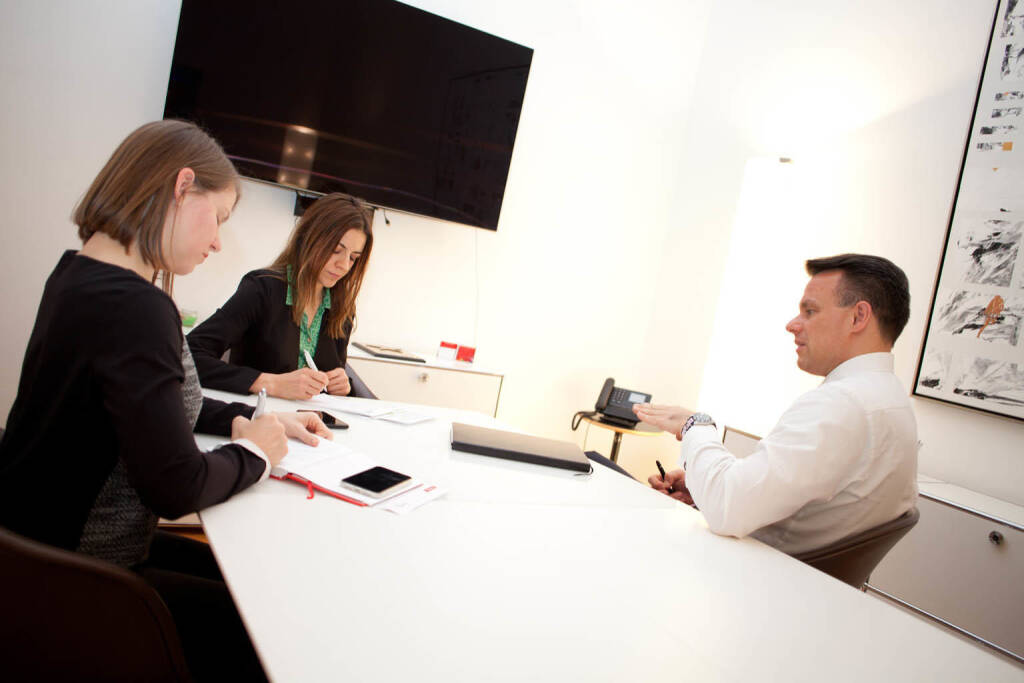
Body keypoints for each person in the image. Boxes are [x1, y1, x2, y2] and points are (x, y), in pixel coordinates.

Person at [0, 119, 331, 681]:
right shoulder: (138, 307)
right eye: (219, 218)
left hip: (29, 562)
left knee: (236, 583)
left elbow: (136, 406)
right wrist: (258, 457)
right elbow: (174, 485)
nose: (219, 241)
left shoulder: (77, 276)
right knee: (274, 627)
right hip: (81, 580)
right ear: (182, 187)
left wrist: (246, 420)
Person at [634, 254, 918, 555]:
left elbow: (728, 509)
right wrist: (702, 484)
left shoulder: (840, 404)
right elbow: (788, 494)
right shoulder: (894, 402)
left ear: (858, 317)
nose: (792, 325)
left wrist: (696, 425)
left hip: (746, 579)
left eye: (810, 311)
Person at [187, 193, 374, 400]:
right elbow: (190, 355)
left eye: (353, 258)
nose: (344, 265)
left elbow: (334, 381)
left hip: (314, 425)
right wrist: (269, 383)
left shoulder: (342, 309)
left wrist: (343, 386)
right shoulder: (262, 289)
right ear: (309, 239)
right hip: (258, 421)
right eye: (336, 250)